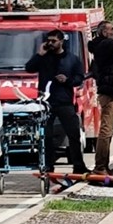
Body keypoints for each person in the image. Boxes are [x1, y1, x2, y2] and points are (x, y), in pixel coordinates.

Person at [25, 29, 90, 183]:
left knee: (73, 133)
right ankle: (48, 166)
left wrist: (67, 80)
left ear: (61, 41)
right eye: (49, 41)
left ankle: (78, 165)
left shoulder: (71, 59)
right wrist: (39, 54)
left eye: (54, 41)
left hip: (64, 101)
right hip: (46, 103)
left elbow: (79, 78)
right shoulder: (44, 58)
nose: (50, 44)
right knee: (46, 136)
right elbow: (29, 68)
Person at [87, 21, 113, 174]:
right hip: (108, 91)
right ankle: (101, 166)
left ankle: (103, 164)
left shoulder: (101, 46)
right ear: (103, 32)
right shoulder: (105, 45)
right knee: (106, 128)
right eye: (111, 29)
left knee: (108, 128)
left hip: (109, 89)